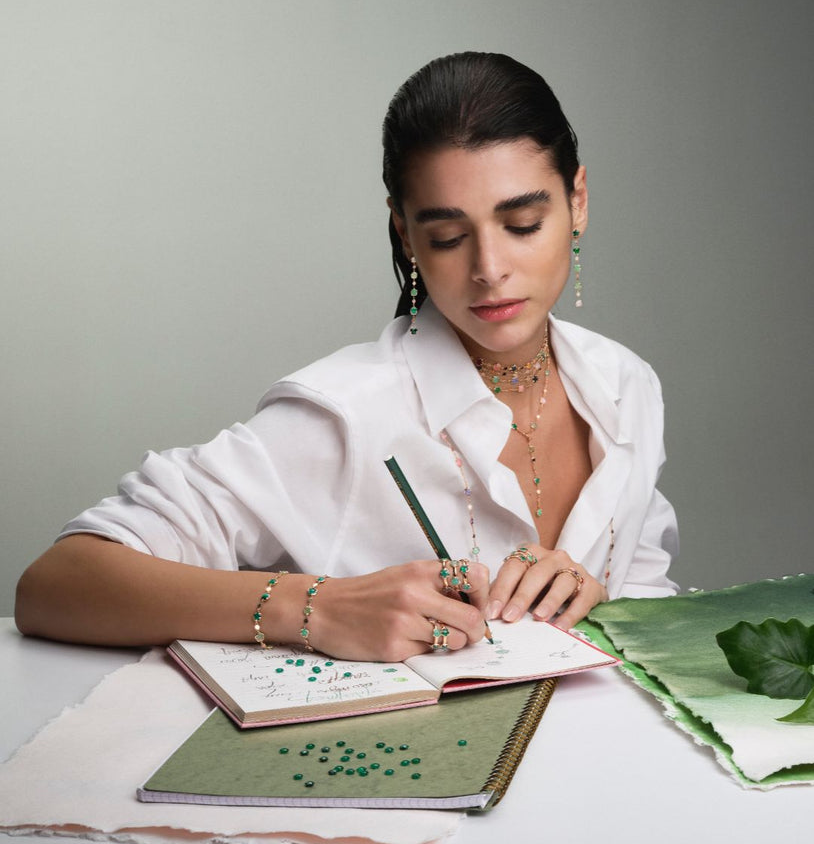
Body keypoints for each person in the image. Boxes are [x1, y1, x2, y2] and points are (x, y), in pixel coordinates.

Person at [15, 51, 678, 661]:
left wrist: (603, 607)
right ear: (406, 235)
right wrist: (316, 607)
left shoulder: (627, 387)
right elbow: (55, 584)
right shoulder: (347, 414)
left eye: (522, 224)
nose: (489, 267)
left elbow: (653, 608)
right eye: (448, 237)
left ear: (577, 202)